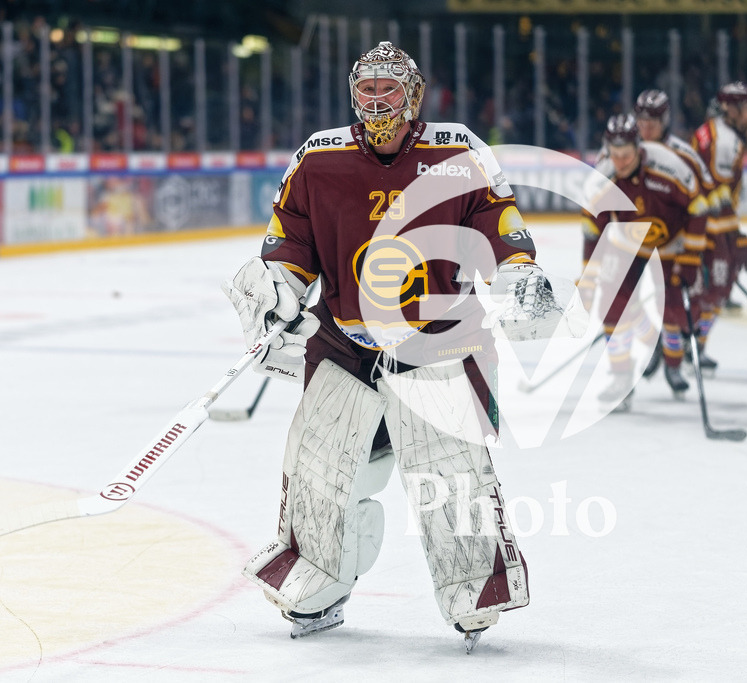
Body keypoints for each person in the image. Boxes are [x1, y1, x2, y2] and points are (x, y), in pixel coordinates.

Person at [222, 41, 566, 651]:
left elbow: (500, 226)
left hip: (436, 345)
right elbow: (290, 242)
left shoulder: (459, 152)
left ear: (415, 96)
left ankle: (470, 590)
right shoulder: (318, 159)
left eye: (389, 89)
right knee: (322, 473)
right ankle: (320, 581)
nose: (376, 100)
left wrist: (516, 272)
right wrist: (277, 284)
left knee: (449, 477)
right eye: (366, 89)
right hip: (344, 345)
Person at [580, 113, 709, 411]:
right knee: (612, 303)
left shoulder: (669, 167)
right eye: (615, 155)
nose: (620, 162)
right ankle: (622, 377)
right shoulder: (603, 176)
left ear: (639, 148)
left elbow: (699, 209)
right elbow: (591, 227)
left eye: (626, 156)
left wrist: (690, 258)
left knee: (676, 308)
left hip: (672, 243)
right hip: (626, 243)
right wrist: (589, 274)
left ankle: (673, 366)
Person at [634, 89, 719, 377]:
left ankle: (673, 353)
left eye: (653, 122)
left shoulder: (684, 155)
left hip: (674, 242)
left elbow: (706, 197)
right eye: (642, 121)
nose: (646, 128)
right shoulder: (622, 151)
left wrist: (711, 237)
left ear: (665, 120)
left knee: (677, 303)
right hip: (635, 240)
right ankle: (654, 341)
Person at [691, 82, 747, 370]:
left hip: (705, 224)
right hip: (710, 229)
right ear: (732, 109)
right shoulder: (725, 142)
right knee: (715, 290)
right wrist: (734, 238)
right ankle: (687, 343)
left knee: (707, 290)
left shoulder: (716, 131)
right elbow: (717, 198)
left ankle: (687, 342)